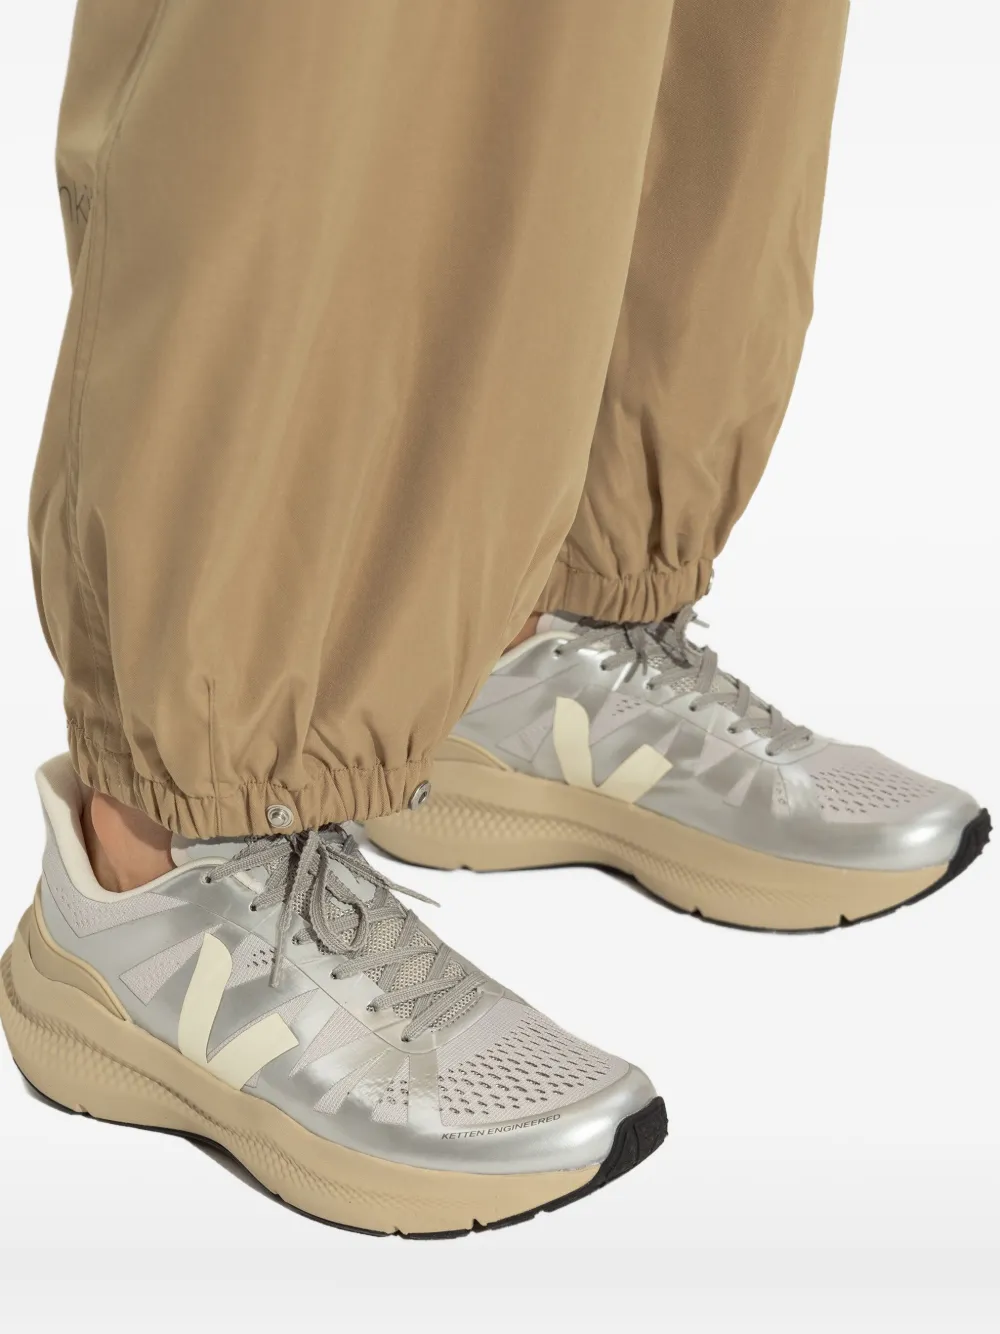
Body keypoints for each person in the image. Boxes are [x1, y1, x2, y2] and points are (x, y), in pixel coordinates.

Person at [0, 1, 988, 1236]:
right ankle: (162, 855)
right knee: (330, 53)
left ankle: (539, 630)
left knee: (658, 52)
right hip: (185, 783)